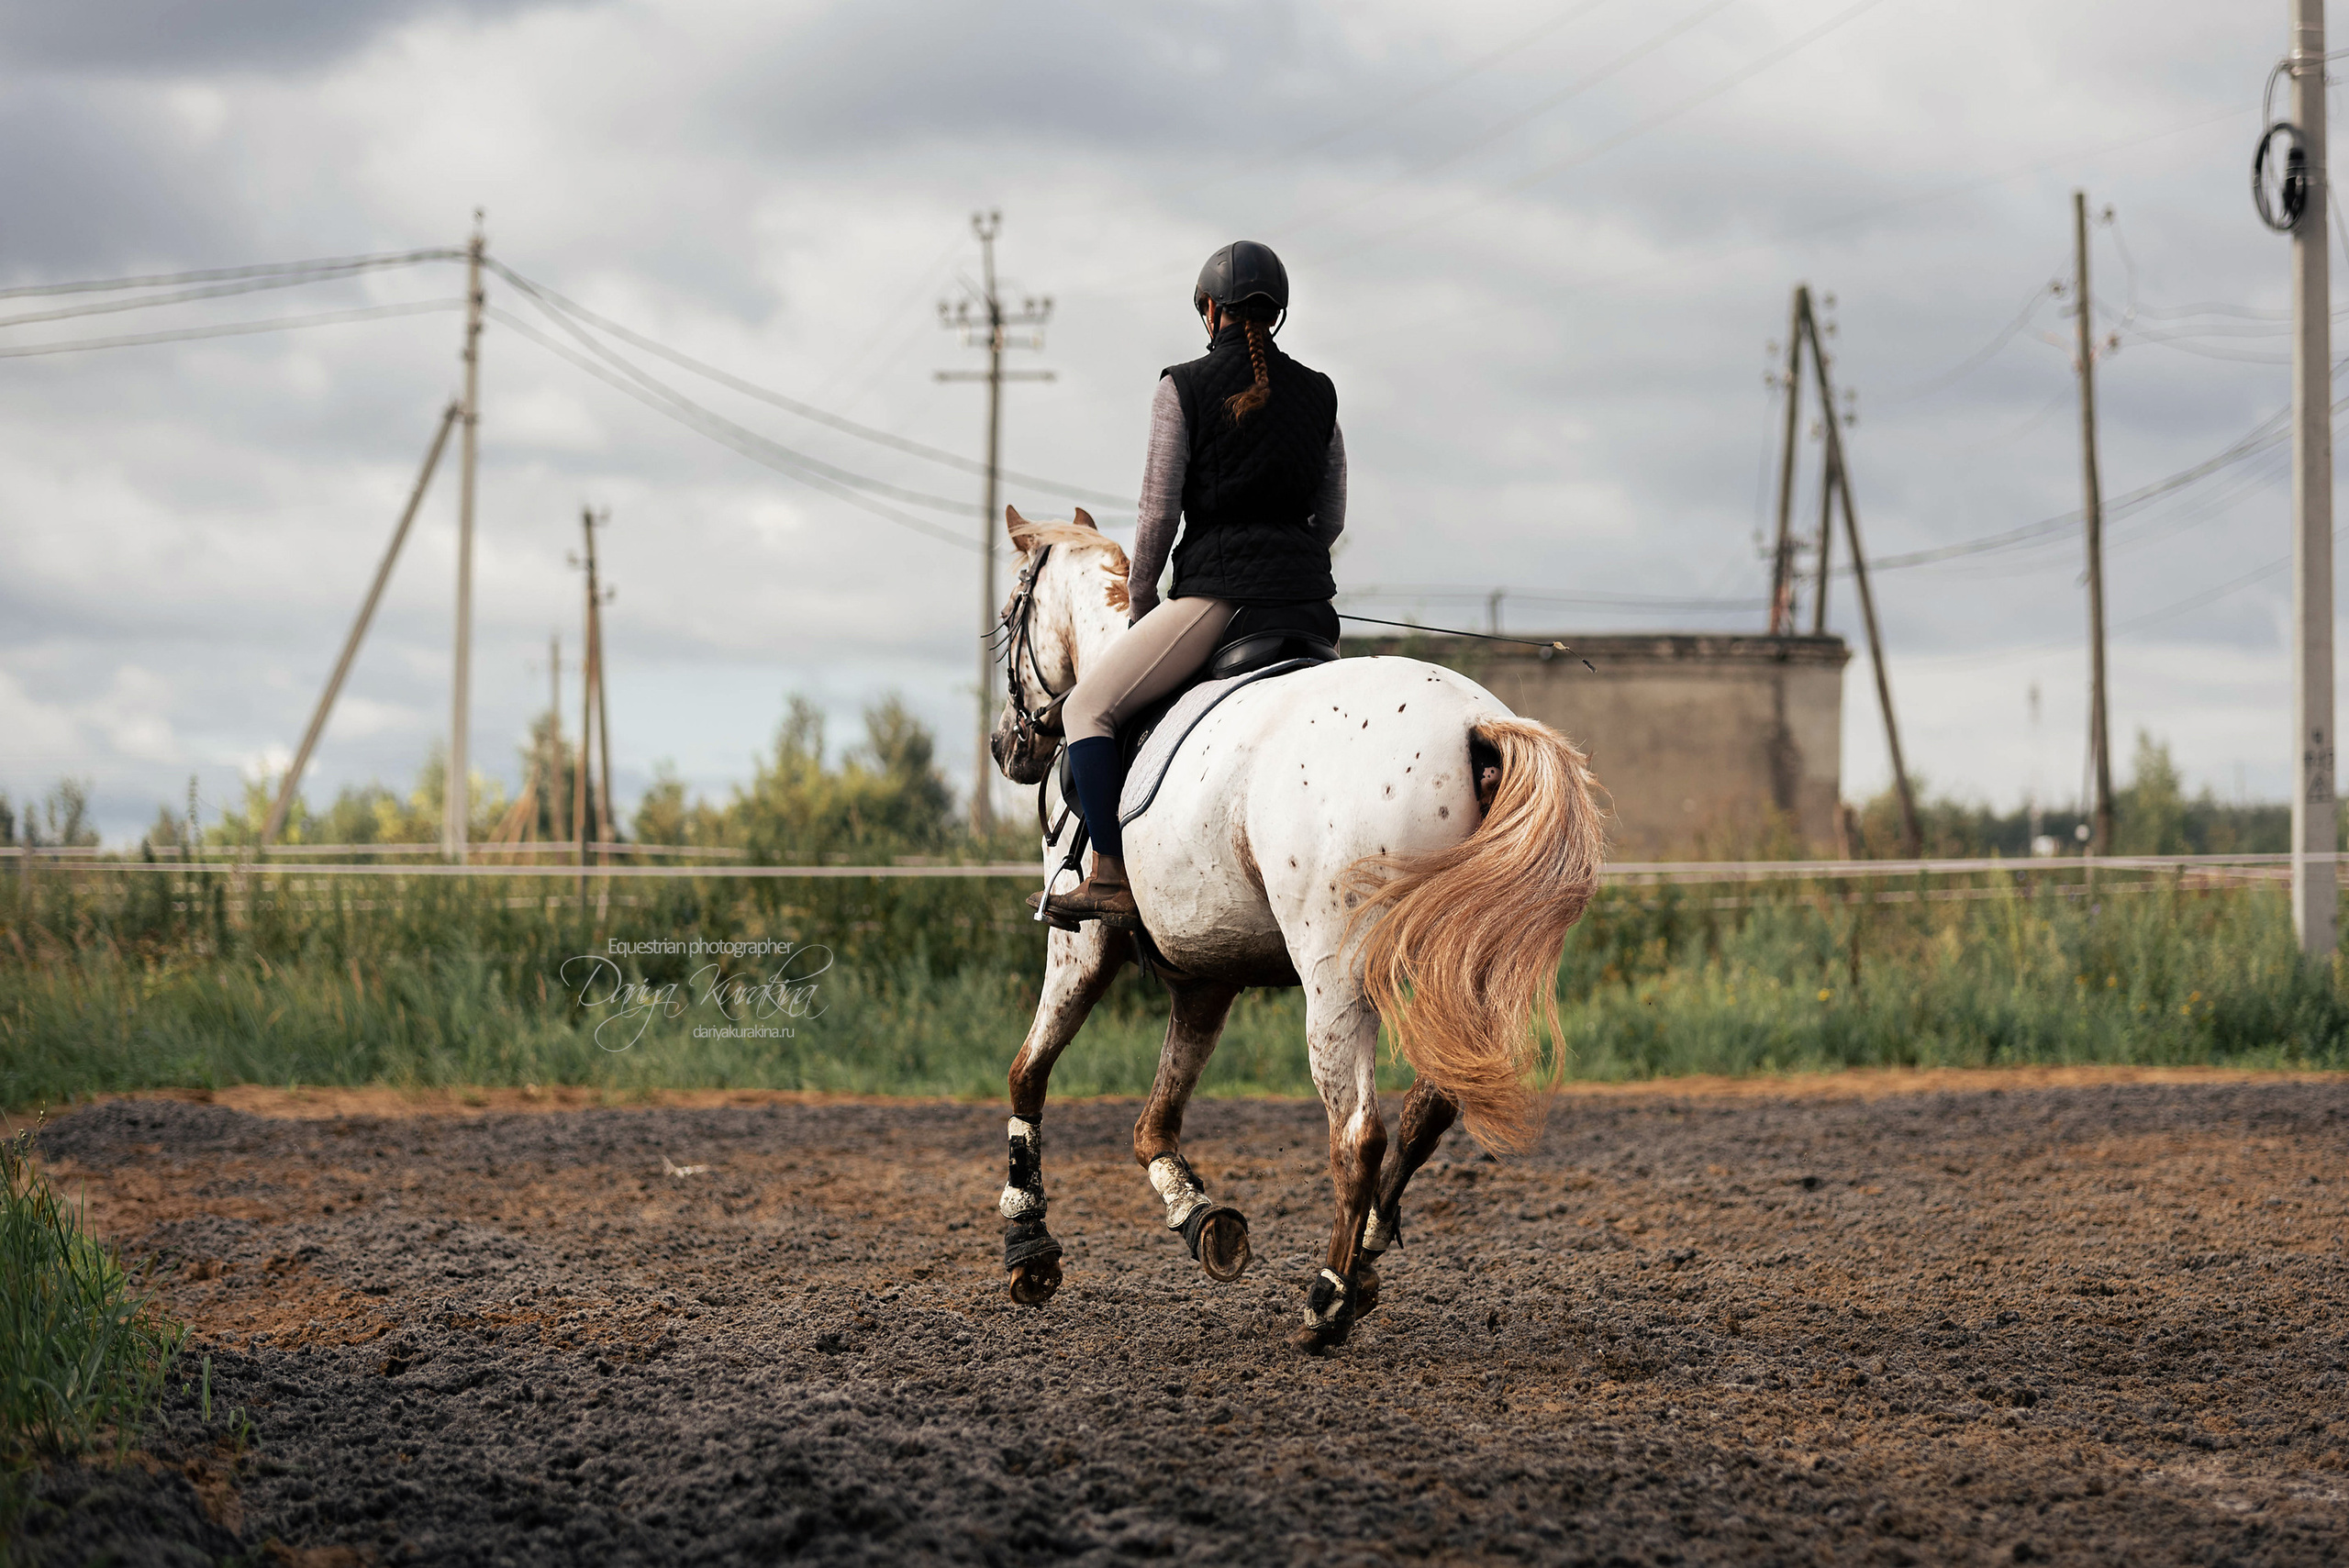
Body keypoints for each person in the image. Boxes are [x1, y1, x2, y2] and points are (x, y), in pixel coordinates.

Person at [1037, 239, 1347, 930]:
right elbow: (1331, 518)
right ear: (1277, 315)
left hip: (1219, 599)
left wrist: (1144, 601)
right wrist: (1288, 566)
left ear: (1210, 311)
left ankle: (1111, 876)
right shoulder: (1321, 394)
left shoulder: (1182, 386)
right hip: (1312, 613)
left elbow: (1156, 514)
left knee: (1087, 708)